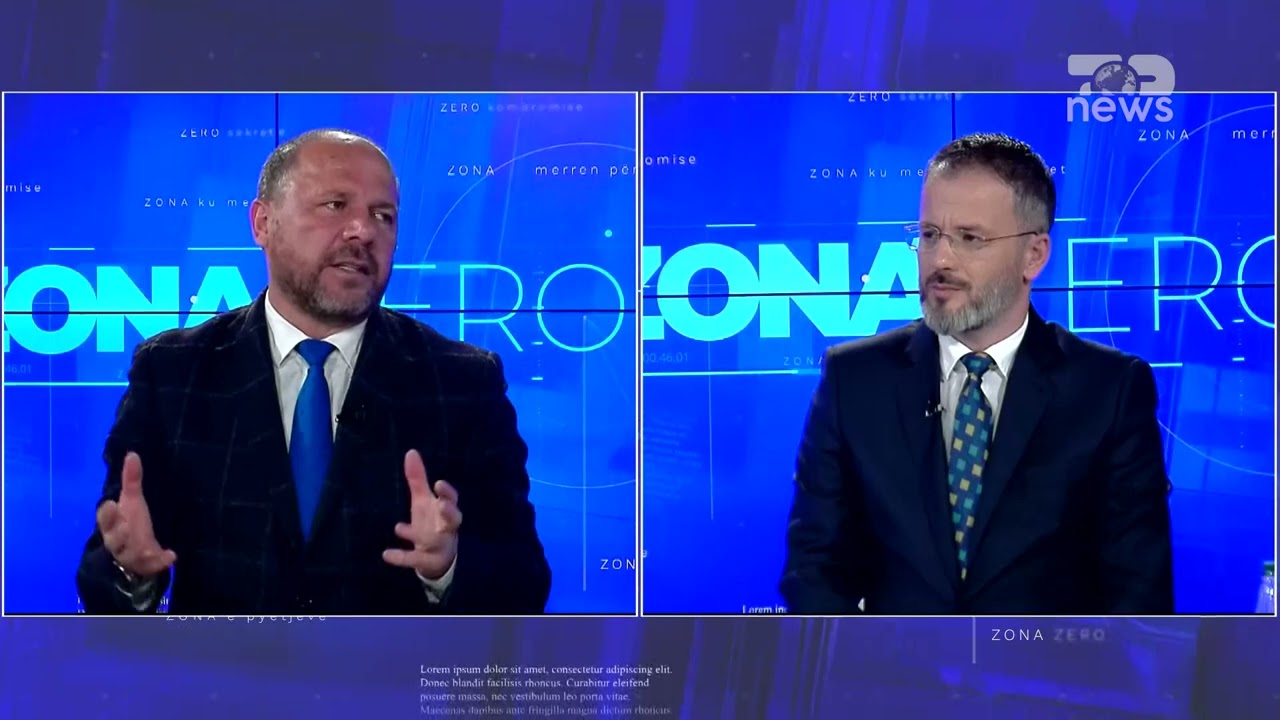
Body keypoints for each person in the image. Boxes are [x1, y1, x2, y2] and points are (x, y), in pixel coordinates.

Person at [76, 129, 552, 615]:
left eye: (383, 216)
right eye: (335, 205)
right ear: (263, 223)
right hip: (221, 663)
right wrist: (130, 573)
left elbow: (525, 581)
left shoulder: (463, 381)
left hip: (389, 665)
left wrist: (447, 568)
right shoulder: (172, 371)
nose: (363, 231)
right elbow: (104, 576)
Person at [779, 132, 1174, 615]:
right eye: (929, 235)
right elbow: (813, 570)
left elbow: (1139, 595)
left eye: (970, 238)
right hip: (889, 661)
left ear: (1034, 255)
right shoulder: (854, 380)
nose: (940, 260)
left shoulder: (1109, 391)